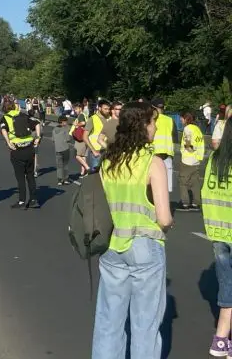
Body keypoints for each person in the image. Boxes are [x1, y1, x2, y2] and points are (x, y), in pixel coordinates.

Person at [92, 102, 173, 359]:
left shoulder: (109, 162)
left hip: (113, 246)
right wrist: (168, 225)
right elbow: (164, 218)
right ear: (142, 126)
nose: (156, 126)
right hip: (145, 247)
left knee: (109, 321)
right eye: (152, 122)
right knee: (145, 325)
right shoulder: (153, 163)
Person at [201, 114, 232, 356]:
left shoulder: (215, 159)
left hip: (218, 231)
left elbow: (206, 192)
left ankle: (221, 339)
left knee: (227, 284)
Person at [0, 97, 42, 209]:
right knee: (30, 176)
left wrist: (8, 142)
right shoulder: (23, 115)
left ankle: (22, 201)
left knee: (20, 177)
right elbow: (37, 123)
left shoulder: (5, 118)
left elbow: (3, 130)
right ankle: (33, 199)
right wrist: (37, 137)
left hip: (17, 150)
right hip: (29, 149)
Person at [176, 111, 204, 211]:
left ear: (186, 119)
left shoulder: (187, 129)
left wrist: (189, 149)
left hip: (188, 159)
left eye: (182, 118)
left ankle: (185, 203)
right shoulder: (197, 129)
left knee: (183, 181)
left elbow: (188, 145)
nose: (180, 120)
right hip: (197, 159)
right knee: (195, 182)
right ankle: (196, 203)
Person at [151, 99, 176, 192]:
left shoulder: (150, 119)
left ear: (153, 108)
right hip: (167, 155)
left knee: (153, 183)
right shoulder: (170, 120)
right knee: (166, 185)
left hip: (153, 153)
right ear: (163, 107)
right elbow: (175, 138)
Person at [84, 100, 111, 174]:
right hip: (97, 151)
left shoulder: (110, 118)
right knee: (96, 172)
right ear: (99, 108)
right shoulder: (92, 119)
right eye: (105, 109)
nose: (108, 111)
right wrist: (93, 151)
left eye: (109, 109)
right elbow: (85, 137)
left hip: (108, 149)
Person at [53, 116, 72, 186]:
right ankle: (66, 179)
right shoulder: (65, 128)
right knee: (65, 164)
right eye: (66, 121)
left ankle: (60, 180)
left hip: (57, 149)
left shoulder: (54, 129)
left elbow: (53, 139)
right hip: (65, 149)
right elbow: (68, 139)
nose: (67, 123)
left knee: (59, 165)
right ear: (63, 122)